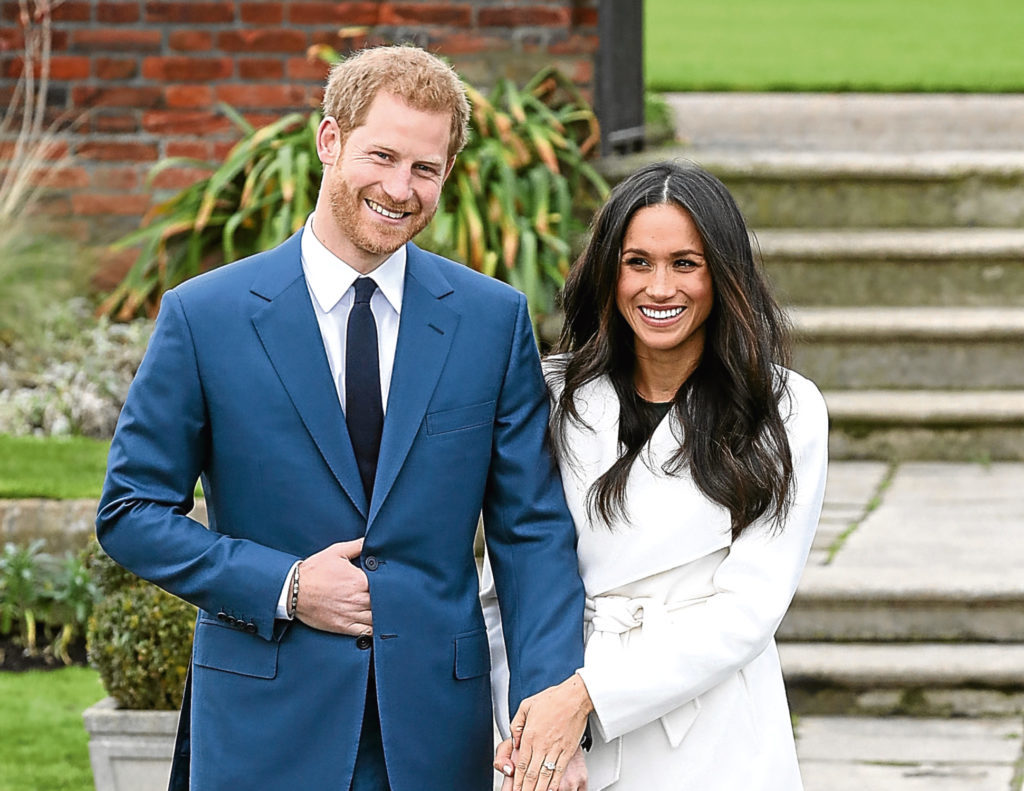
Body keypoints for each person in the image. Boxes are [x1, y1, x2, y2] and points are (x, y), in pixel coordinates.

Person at [95, 45, 586, 791]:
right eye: (381, 155)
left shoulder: (493, 321)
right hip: (263, 727)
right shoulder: (206, 317)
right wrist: (285, 584)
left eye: (425, 168)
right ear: (330, 141)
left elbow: (533, 532)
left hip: (433, 737)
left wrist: (545, 711)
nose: (400, 188)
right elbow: (129, 510)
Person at [485, 160, 829, 791]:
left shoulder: (784, 408)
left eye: (686, 264)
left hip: (712, 733)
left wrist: (587, 697)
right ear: (608, 270)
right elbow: (511, 578)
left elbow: (748, 610)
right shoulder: (551, 393)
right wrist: (532, 724)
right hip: (555, 727)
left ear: (722, 275)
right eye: (637, 261)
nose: (660, 287)